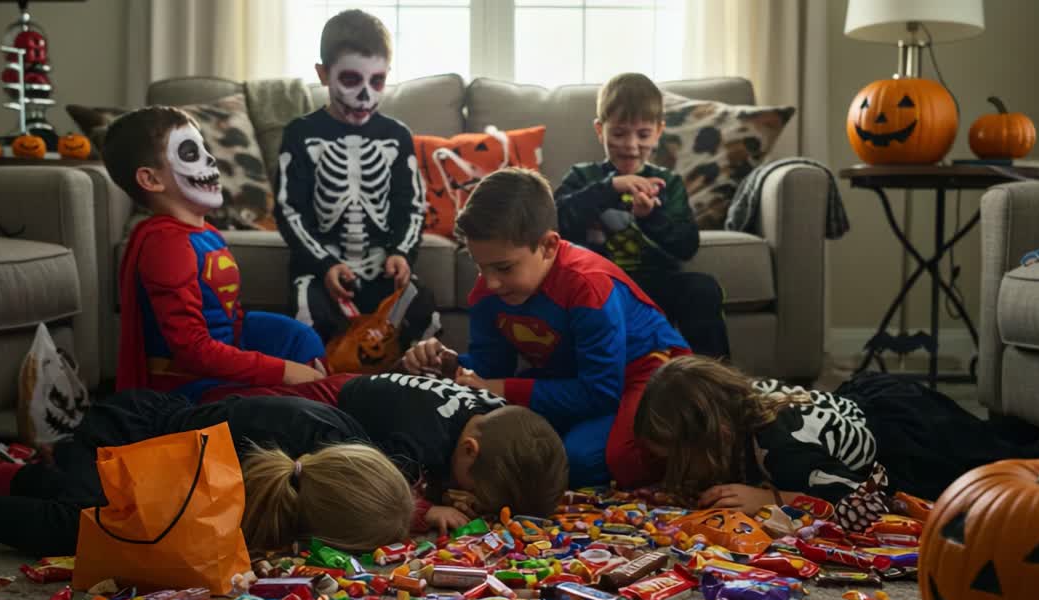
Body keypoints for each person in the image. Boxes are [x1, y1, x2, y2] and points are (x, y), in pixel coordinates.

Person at [404, 168, 690, 489]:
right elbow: (490, 371)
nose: (491, 281)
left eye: (504, 267)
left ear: (549, 246)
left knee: (583, 459)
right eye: (479, 265)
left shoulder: (586, 285)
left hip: (649, 372)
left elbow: (601, 392)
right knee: (509, 441)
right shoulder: (489, 291)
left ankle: (689, 442)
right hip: (574, 375)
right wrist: (450, 363)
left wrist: (504, 389)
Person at [0, 391, 413, 563]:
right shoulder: (259, 462)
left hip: (150, 441)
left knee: (63, 487)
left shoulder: (327, 453)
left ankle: (14, 477)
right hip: (126, 436)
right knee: (82, 525)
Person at [633, 355, 1039, 531]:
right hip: (868, 401)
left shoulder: (781, 451)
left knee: (1002, 468)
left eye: (675, 459)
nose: (671, 469)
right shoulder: (737, 409)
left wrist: (770, 497)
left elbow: (868, 500)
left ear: (713, 436)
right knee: (988, 439)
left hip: (903, 440)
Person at [104, 106, 328, 400]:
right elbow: (192, 350)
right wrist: (282, 371)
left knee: (300, 339)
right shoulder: (166, 244)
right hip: (188, 384)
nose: (210, 158)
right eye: (189, 153)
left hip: (222, 357)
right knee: (309, 393)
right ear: (151, 180)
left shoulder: (206, 233)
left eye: (204, 148)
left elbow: (228, 318)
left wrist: (283, 351)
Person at [198, 372, 570, 535]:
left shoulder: (495, 413)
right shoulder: (416, 445)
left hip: (376, 394)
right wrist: (428, 509)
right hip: (331, 402)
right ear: (469, 450)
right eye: (478, 492)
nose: (473, 502)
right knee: (236, 408)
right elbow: (382, 496)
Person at [275, 9, 437, 349]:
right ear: (323, 74)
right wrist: (324, 264)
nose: (366, 95)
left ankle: (420, 383)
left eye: (377, 81)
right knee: (306, 309)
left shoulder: (396, 136)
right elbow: (290, 210)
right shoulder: (301, 134)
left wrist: (402, 253)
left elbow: (412, 207)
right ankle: (315, 387)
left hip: (382, 268)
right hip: (323, 272)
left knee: (422, 305)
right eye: (351, 80)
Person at [554, 73, 728, 359]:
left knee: (702, 288)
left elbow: (686, 246)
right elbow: (556, 222)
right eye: (619, 133)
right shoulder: (583, 177)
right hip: (599, 285)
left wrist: (651, 217)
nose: (631, 145)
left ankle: (716, 384)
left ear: (659, 132)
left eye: (643, 134)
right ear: (600, 131)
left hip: (655, 283)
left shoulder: (668, 183)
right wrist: (608, 188)